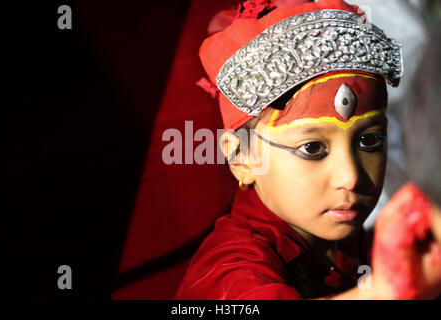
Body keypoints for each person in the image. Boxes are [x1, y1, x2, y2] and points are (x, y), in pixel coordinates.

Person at [174, 0, 441, 299]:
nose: (350, 177)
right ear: (242, 157)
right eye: (312, 148)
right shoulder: (229, 270)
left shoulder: (349, 240)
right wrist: (383, 291)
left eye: (369, 141)